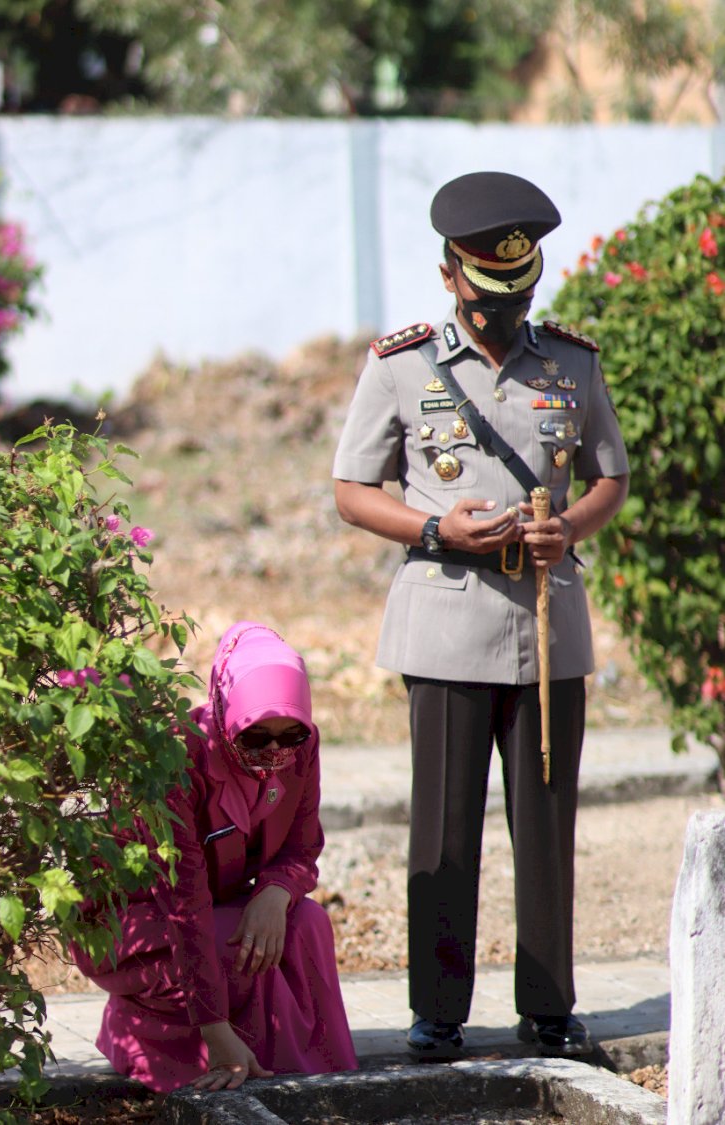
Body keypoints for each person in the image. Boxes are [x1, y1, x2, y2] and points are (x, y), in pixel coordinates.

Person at [332, 171, 629, 1061]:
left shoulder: (572, 364)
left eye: (522, 291)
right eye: (490, 292)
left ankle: (548, 1005)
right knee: (446, 828)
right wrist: (434, 525)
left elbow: (610, 473)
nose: (506, 310)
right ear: (451, 276)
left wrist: (567, 527)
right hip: (447, 621)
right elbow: (352, 489)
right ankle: (438, 1011)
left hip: (546, 623)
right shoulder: (400, 366)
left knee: (545, 825)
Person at [71, 621, 358, 1092]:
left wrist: (275, 892)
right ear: (226, 708)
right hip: (132, 921)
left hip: (211, 905)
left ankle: (307, 1076)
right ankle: (200, 1053)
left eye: (290, 735)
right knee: (233, 940)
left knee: (305, 924)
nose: (274, 752)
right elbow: (183, 905)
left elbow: (303, 846)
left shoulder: (302, 748)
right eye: (255, 735)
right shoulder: (178, 759)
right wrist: (215, 1030)